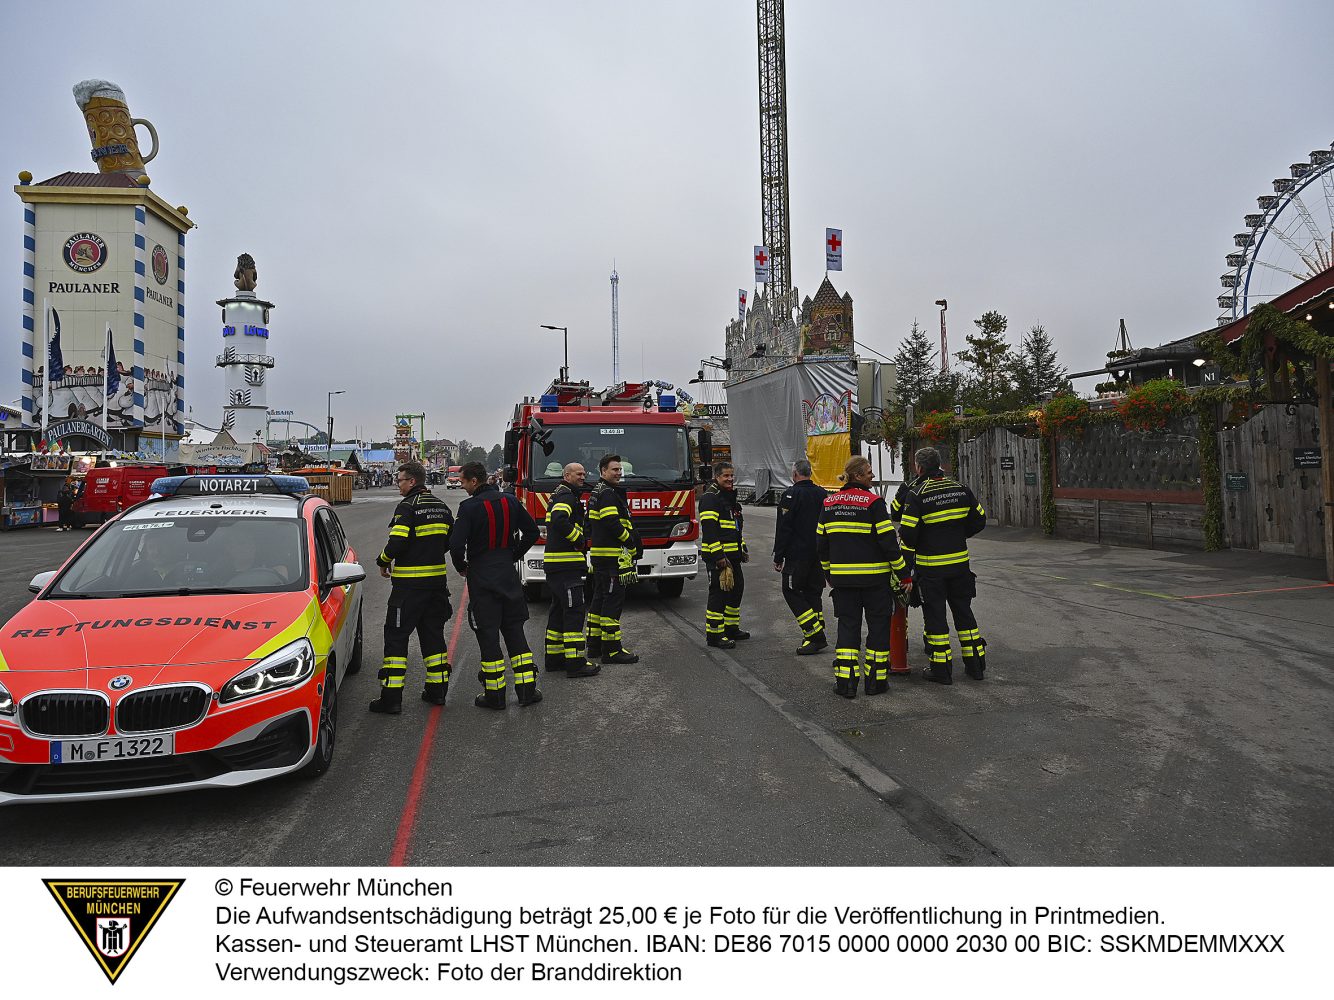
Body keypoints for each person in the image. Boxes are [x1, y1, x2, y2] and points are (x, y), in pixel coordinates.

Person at [817, 455, 912, 698]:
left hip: (843, 581)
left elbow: (821, 544)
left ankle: (846, 684)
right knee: (878, 628)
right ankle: (875, 683)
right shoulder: (874, 503)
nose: (872, 475)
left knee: (848, 628)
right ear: (857, 475)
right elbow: (889, 544)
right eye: (869, 472)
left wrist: (829, 573)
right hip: (875, 581)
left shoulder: (829, 503)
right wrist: (904, 575)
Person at [450, 460, 541, 708]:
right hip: (507, 574)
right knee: (515, 631)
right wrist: (513, 555)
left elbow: (456, 545)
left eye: (463, 481)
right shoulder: (510, 501)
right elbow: (532, 532)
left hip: (482, 577)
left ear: (474, 481)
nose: (462, 486)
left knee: (488, 635)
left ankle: (495, 695)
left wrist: (461, 566)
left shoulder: (468, 507)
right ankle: (527, 691)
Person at [369, 460, 455, 714]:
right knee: (433, 636)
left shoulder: (407, 507)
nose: (398, 484)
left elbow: (397, 542)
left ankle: (391, 698)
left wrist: (382, 560)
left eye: (400, 480)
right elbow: (450, 541)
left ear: (412, 481)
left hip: (408, 588)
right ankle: (437, 692)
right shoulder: (441, 507)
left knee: (396, 638)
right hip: (436, 586)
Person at [897, 446, 988, 684]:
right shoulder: (961, 489)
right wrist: (958, 535)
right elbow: (980, 519)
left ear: (919, 468)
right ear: (939, 465)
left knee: (935, 618)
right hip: (959, 565)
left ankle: (941, 669)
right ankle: (976, 666)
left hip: (931, 569)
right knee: (964, 614)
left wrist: (923, 543)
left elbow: (908, 535)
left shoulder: (917, 494)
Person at [543, 462, 600, 678]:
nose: (583, 477)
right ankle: (575, 663)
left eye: (584, 474)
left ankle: (554, 658)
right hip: (566, 566)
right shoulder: (567, 496)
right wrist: (578, 539)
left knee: (558, 612)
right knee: (574, 612)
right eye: (578, 474)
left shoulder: (560, 493)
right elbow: (559, 520)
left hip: (557, 566)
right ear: (567, 476)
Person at [585, 454, 641, 663]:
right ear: (603, 471)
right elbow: (611, 522)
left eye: (620, 469)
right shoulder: (608, 493)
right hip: (612, 558)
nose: (618, 473)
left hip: (601, 556)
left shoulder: (598, 491)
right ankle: (611, 650)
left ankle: (594, 646)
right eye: (614, 469)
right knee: (612, 604)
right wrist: (630, 541)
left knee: (599, 601)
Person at [772, 458, 828, 655]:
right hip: (818, 555)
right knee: (813, 593)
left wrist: (778, 556)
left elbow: (784, 528)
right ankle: (816, 632)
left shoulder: (791, 495)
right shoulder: (822, 493)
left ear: (795, 474)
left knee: (791, 590)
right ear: (810, 473)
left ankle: (815, 635)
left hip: (797, 556)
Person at [699, 461, 748, 649]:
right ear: (716, 477)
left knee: (736, 590)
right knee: (718, 595)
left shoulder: (728, 497)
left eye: (731, 475)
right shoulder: (710, 498)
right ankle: (714, 635)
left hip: (733, 556)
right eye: (726, 476)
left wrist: (742, 547)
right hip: (719, 558)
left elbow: (734, 528)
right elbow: (710, 531)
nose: (730, 479)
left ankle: (731, 628)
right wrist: (719, 556)